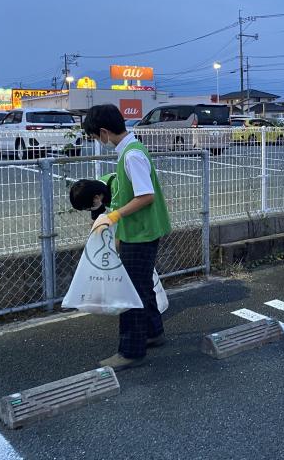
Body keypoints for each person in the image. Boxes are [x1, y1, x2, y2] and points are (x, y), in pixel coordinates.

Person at [81, 104, 172, 369]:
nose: (98, 141)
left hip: (140, 233)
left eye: (96, 137)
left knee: (131, 293)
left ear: (104, 132)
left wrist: (113, 217)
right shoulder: (131, 150)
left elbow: (146, 196)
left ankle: (131, 351)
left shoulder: (131, 155)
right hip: (141, 231)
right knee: (142, 287)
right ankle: (154, 332)